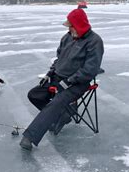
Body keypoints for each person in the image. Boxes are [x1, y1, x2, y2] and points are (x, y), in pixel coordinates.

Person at [20, 8, 104, 151]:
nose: (69, 29)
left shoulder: (94, 41)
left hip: (78, 83)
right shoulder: (67, 38)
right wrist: (49, 74)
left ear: (78, 25)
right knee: (34, 94)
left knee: (57, 102)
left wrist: (69, 81)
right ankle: (61, 117)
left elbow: (90, 69)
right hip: (58, 78)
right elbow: (59, 60)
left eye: (70, 26)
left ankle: (30, 137)